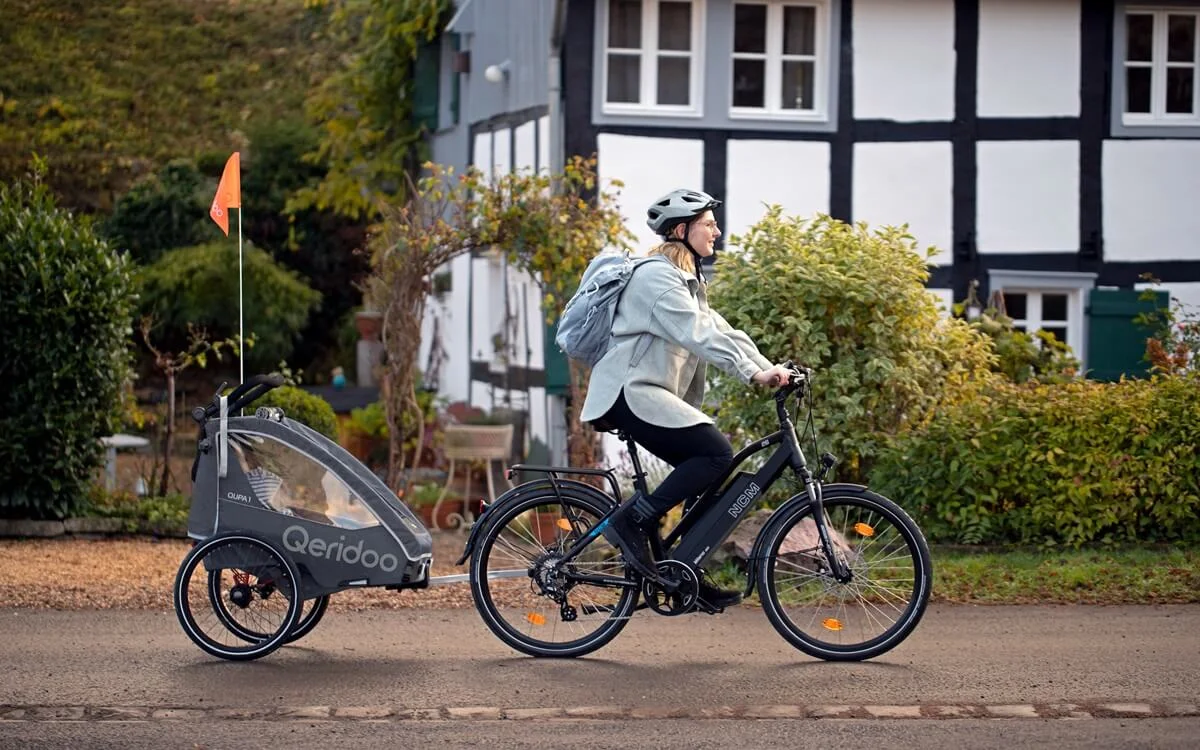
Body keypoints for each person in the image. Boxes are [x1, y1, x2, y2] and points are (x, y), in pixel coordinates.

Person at [580, 188, 792, 609]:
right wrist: (753, 373)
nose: (717, 231)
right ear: (681, 230)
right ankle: (632, 521)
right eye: (708, 224)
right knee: (715, 453)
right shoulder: (656, 278)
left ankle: (682, 570)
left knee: (708, 471)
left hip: (643, 392)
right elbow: (700, 334)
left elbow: (723, 330)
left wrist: (768, 367)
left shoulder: (684, 281)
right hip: (628, 391)